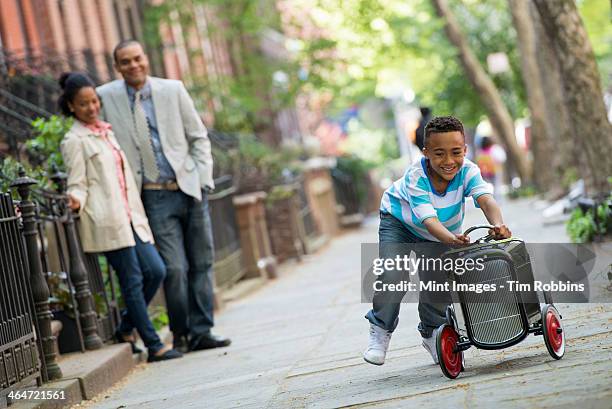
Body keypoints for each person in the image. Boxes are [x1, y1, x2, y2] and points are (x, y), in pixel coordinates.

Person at [97, 40, 230, 352]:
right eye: (125, 62)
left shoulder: (173, 90)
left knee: (202, 262)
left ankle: (201, 331)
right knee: (173, 268)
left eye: (137, 59)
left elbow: (198, 137)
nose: (133, 66)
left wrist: (203, 179)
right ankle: (181, 332)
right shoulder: (105, 97)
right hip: (153, 194)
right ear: (118, 67)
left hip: (189, 187)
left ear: (146, 59)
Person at [363, 116, 511, 366]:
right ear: (426, 152)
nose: (448, 161)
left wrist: (498, 224)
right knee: (393, 274)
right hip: (400, 223)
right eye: (439, 154)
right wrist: (452, 239)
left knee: (436, 283)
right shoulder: (416, 176)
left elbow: (485, 199)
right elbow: (428, 220)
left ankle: (433, 333)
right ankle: (380, 329)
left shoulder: (469, 171)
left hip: (440, 231)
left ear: (465, 150)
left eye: (456, 152)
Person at [59, 72, 182, 363]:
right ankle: (153, 344)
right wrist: (75, 199)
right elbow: (77, 181)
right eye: (83, 104)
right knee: (133, 279)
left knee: (156, 270)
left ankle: (126, 327)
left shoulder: (106, 131)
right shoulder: (74, 140)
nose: (91, 108)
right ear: (71, 107)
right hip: (107, 221)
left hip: (130, 217)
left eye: (94, 101)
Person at [475, 136, 506, 201]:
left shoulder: (480, 152)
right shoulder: (494, 149)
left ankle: (490, 200)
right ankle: (497, 200)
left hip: (485, 172)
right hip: (495, 170)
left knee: (488, 187)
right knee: (497, 186)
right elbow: (502, 158)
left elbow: (478, 162)